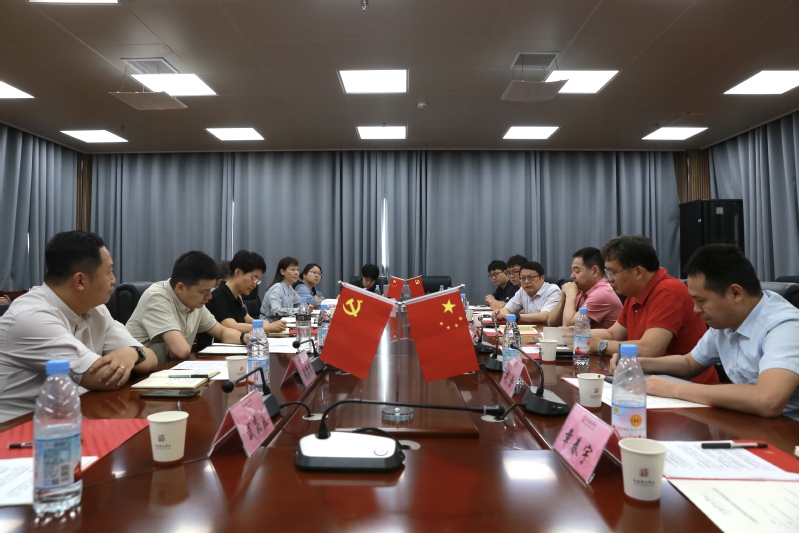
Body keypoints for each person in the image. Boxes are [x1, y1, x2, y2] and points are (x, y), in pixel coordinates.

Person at [611, 244, 799, 419]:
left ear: (735, 293)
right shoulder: (726, 320)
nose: (695, 310)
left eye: (701, 301)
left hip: (787, 429)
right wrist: (637, 362)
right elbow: (689, 363)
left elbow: (767, 399)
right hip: (747, 420)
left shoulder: (785, 326)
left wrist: (673, 389)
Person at [0, 231, 157, 422]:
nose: (114, 280)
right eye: (108, 272)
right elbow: (104, 378)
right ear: (80, 281)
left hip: (71, 418)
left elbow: (151, 358)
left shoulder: (96, 310)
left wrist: (133, 353)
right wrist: (133, 355)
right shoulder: (30, 317)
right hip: (19, 429)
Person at [589, 235, 718, 384]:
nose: (608, 279)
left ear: (638, 272)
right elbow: (613, 333)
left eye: (612, 272)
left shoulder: (668, 291)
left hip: (687, 385)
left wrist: (601, 345)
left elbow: (649, 349)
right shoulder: (634, 295)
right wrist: (580, 335)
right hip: (648, 379)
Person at [126, 251, 249, 365]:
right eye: (204, 291)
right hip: (140, 376)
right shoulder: (157, 298)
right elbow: (180, 350)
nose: (209, 296)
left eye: (210, 290)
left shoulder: (194, 302)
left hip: (170, 370)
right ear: (180, 287)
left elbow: (222, 332)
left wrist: (245, 338)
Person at [197, 250, 286, 349]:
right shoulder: (218, 297)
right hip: (216, 352)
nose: (254, 284)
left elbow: (249, 320)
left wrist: (266, 324)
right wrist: (266, 327)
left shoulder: (237, 296)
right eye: (254, 278)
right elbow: (231, 326)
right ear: (238, 272)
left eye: (257, 280)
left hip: (236, 347)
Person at [547, 247, 622, 328]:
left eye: (577, 271)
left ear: (594, 271)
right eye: (572, 271)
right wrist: (563, 297)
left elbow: (568, 327)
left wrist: (570, 295)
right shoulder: (583, 289)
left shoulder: (602, 293)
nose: (572, 276)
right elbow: (551, 323)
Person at [260, 256, 302, 322]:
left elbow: (299, 302)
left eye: (297, 269)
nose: (296, 273)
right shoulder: (276, 289)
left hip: (284, 322)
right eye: (293, 269)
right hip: (269, 323)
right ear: (282, 271)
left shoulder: (290, 288)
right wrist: (298, 310)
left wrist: (305, 307)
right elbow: (276, 311)